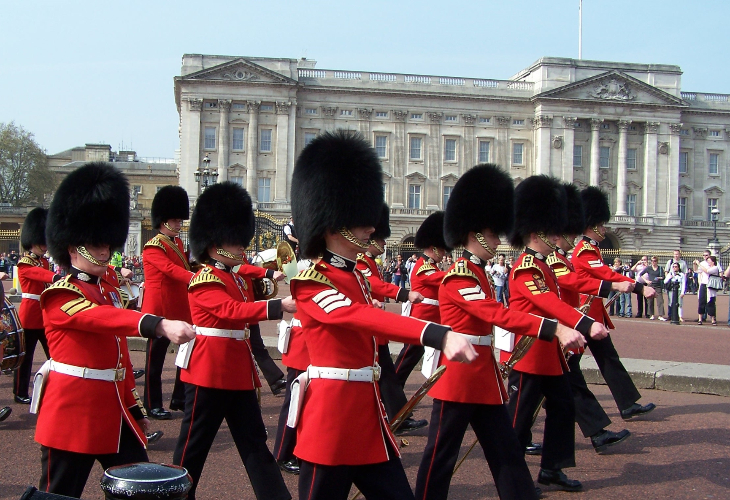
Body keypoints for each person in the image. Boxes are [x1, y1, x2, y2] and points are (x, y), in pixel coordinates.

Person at [289, 130, 476, 500]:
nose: (371, 227)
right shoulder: (310, 281)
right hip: (332, 422)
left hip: (368, 419)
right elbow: (357, 317)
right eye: (360, 219)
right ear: (333, 224)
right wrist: (436, 334)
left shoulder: (357, 277)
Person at [414, 165, 585, 500]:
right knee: (441, 455)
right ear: (474, 234)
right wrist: (554, 329)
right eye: (492, 235)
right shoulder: (460, 275)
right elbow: (497, 314)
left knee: (506, 450)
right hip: (459, 378)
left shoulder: (479, 273)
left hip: (483, 375)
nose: (497, 241)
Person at [36, 163, 195, 498]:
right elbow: (101, 319)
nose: (104, 251)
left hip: (115, 415)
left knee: (144, 488)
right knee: (58, 494)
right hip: (72, 417)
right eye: (96, 244)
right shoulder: (60, 294)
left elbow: (119, 360)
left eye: (107, 244)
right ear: (72, 247)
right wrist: (157, 323)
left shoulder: (108, 291)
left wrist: (134, 408)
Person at [172, 182, 293, 500]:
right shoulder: (205, 278)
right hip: (208, 372)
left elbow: (244, 306)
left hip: (237, 372)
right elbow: (231, 311)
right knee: (193, 448)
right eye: (235, 240)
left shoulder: (235, 276)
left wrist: (267, 280)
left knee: (255, 443)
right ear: (214, 243)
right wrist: (278, 306)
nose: (242, 246)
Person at [504, 175, 608, 492]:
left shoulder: (545, 264)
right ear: (536, 233)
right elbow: (548, 302)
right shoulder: (526, 267)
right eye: (553, 231)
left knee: (563, 409)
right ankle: (512, 479)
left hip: (551, 354)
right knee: (519, 420)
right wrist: (584, 323)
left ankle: (552, 468)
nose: (558, 236)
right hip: (530, 354)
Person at [548, 182, 632, 454]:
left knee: (562, 388)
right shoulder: (552, 261)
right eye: (570, 232)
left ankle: (595, 434)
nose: (574, 237)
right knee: (540, 392)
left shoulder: (561, 258)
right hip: (552, 332)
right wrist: (612, 286)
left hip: (564, 329)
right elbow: (574, 283)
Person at [572, 186, 657, 421]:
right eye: (601, 225)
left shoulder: (592, 249)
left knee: (608, 359)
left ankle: (628, 404)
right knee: (567, 364)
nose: (604, 229)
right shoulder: (584, 250)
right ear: (591, 225)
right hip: (584, 316)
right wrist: (639, 287)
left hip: (593, 315)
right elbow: (608, 275)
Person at [356, 204, 427, 434]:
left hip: (377, 327)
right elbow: (374, 285)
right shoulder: (361, 262)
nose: (383, 243)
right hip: (368, 327)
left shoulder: (370, 262)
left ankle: (397, 417)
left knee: (386, 375)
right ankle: (392, 417)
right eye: (380, 239)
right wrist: (404, 293)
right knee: (380, 375)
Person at [141, 186, 193, 419]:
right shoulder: (154, 246)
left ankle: (179, 398)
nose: (179, 223)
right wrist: (195, 277)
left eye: (180, 220)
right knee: (155, 361)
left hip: (179, 306)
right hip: (160, 308)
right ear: (163, 221)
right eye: (175, 220)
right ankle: (152, 404)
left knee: (186, 353)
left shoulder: (177, 243)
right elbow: (170, 269)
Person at [394, 211, 449, 389]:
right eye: (442, 249)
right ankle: (392, 390)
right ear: (433, 248)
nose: (443, 253)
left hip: (432, 321)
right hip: (421, 320)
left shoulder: (432, 265)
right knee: (407, 360)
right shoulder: (424, 266)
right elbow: (440, 279)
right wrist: (459, 271)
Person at [13, 208, 58, 404]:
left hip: (45, 315)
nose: (45, 246)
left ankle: (54, 390)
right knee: (26, 358)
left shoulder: (44, 262)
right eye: (42, 242)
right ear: (33, 241)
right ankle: (20, 392)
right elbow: (38, 275)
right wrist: (55, 277)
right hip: (30, 316)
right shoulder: (25, 263)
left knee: (54, 355)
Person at [694, 253, 721, 326]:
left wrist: (699, 264)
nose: (708, 262)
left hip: (710, 286)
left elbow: (707, 271)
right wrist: (695, 264)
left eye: (709, 261)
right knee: (701, 301)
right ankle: (700, 319)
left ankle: (713, 319)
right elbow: (696, 271)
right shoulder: (704, 265)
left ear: (713, 262)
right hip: (703, 284)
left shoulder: (715, 267)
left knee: (711, 302)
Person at [639, 256, 666, 321]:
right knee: (650, 301)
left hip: (658, 286)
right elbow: (641, 274)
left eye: (655, 261)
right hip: (650, 286)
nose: (653, 262)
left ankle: (660, 315)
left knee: (660, 301)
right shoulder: (649, 268)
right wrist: (646, 281)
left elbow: (663, 276)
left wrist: (658, 278)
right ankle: (651, 315)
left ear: (657, 261)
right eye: (652, 261)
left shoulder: (660, 268)